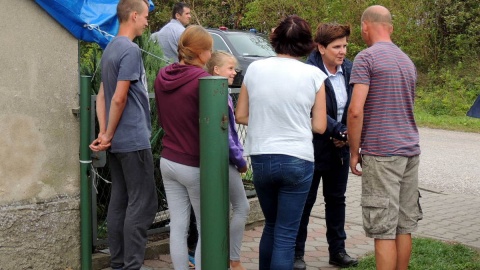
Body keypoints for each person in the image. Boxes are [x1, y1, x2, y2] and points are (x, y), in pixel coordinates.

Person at [235, 15, 328, 270]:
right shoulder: (314, 75)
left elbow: (240, 115)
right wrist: (294, 121)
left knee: (272, 226)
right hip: (298, 158)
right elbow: (320, 125)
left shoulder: (254, 69)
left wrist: (270, 118)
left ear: (275, 40)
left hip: (262, 157)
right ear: (305, 43)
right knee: (287, 235)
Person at [347, 5, 422, 270]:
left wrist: (354, 152)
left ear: (365, 26)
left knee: (383, 228)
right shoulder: (406, 60)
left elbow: (356, 111)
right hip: (410, 150)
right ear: (389, 27)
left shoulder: (366, 58)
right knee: (403, 224)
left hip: (382, 153)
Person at [89, 0, 158, 269]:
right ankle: (131, 266)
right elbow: (117, 98)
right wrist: (108, 134)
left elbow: (101, 97)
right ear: (132, 16)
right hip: (132, 140)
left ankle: (118, 264)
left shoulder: (110, 49)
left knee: (120, 201)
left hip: (117, 142)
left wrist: (106, 134)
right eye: (144, 16)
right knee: (142, 205)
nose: (147, 21)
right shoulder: (129, 50)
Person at [293, 23, 358, 269]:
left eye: (345, 46)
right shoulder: (307, 72)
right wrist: (338, 130)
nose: (342, 51)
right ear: (320, 47)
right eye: (336, 47)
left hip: (339, 149)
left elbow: (354, 108)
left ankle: (337, 252)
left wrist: (347, 135)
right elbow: (311, 108)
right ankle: (297, 254)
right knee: (305, 202)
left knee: (336, 201)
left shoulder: (350, 70)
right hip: (310, 147)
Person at [154, 25, 213, 270]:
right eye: (209, 50)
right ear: (200, 53)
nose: (211, 54)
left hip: (168, 159)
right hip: (194, 163)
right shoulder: (204, 81)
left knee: (177, 226)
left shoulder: (161, 76)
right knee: (205, 227)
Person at [205, 51, 251, 270]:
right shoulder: (219, 93)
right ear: (216, 70)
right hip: (226, 160)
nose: (234, 72)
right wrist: (240, 160)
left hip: (217, 159)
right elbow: (228, 134)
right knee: (242, 206)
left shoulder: (214, 90)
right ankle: (234, 259)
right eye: (230, 68)